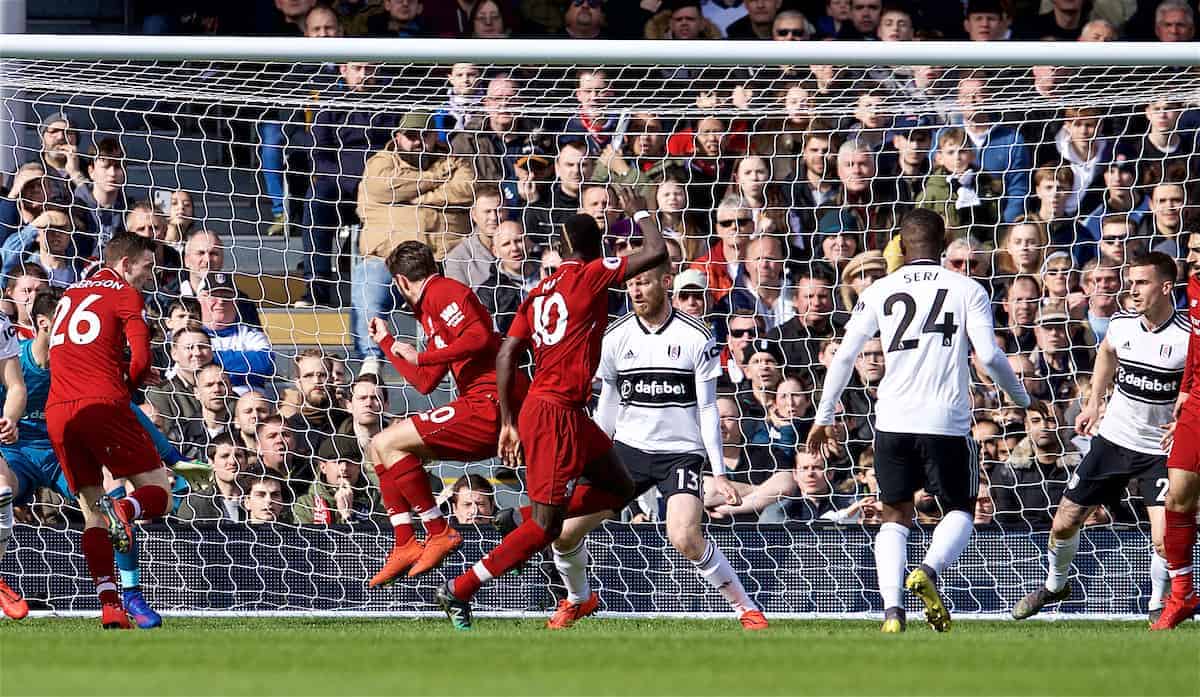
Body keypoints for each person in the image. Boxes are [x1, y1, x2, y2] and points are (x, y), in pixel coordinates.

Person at [436, 185, 667, 630]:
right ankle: (460, 587)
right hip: (556, 413)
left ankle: (516, 519)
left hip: (556, 409)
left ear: (559, 249)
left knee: (620, 486)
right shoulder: (592, 274)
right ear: (593, 247)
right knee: (545, 528)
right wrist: (638, 210)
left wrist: (508, 419)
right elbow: (655, 251)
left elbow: (507, 354)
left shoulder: (538, 291)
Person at [807, 209, 1031, 634]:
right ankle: (927, 570)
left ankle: (892, 612)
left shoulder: (880, 289)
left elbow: (845, 354)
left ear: (901, 245)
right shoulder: (967, 288)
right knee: (962, 508)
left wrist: (823, 416)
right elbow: (988, 355)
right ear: (945, 242)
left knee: (894, 513)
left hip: (892, 419)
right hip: (946, 418)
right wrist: (1022, 397)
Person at [541, 258, 766, 630]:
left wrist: (720, 473)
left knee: (684, 536)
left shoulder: (696, 336)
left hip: (681, 453)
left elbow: (708, 407)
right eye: (630, 285)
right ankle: (578, 599)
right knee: (564, 532)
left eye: (643, 283)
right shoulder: (615, 336)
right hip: (627, 453)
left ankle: (747, 610)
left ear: (666, 283)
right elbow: (609, 400)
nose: (636, 291)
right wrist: (592, 455)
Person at [0, 287, 197, 626]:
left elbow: (126, 407)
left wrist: (170, 455)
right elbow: (12, 391)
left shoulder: (80, 368)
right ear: (45, 323)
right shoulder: (18, 360)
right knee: (2, 493)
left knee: (108, 503)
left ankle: (126, 598)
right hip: (16, 451)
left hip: (58, 450)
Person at [1013, 253, 1184, 623]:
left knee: (1163, 537)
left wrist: (1188, 422)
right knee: (1064, 522)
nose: (1132, 290)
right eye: (1132, 281)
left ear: (1166, 287)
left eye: (1142, 283)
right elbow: (1106, 353)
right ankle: (1056, 585)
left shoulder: (1188, 336)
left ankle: (1157, 605)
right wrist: (1093, 403)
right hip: (1114, 440)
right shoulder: (1121, 324)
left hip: (1160, 450)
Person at [363, 240, 525, 586]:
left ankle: (439, 531)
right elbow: (424, 382)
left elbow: (480, 337)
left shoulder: (443, 291)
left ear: (401, 282)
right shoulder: (432, 310)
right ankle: (406, 541)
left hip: (492, 404)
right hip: (480, 405)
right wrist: (388, 345)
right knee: (380, 445)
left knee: (388, 442)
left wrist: (421, 356)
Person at [44, 233, 172, 629]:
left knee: (92, 515)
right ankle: (126, 508)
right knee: (160, 494)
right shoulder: (125, 295)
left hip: (59, 410)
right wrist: (134, 382)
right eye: (147, 267)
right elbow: (142, 356)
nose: (150, 276)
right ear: (125, 264)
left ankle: (110, 605)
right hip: (102, 403)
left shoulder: (70, 294)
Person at [1154, 230, 1200, 629]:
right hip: (1198, 401)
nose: (1193, 258)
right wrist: (1185, 391)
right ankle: (1182, 594)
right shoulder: (1195, 285)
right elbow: (1196, 347)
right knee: (1178, 496)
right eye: (1191, 251)